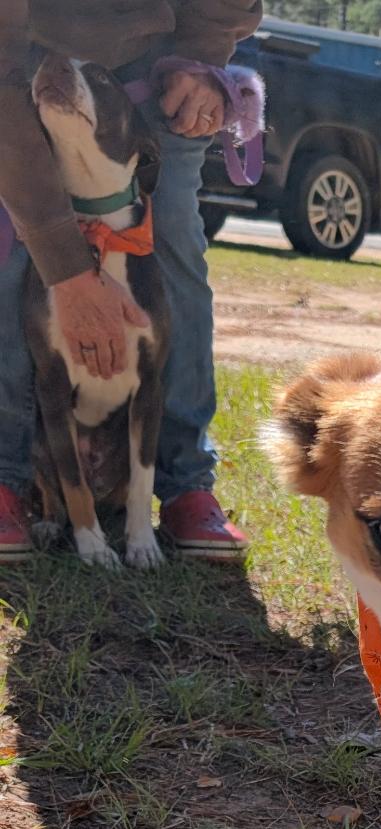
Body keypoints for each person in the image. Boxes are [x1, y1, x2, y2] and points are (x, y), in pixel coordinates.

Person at [0, 0, 261, 561]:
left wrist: (202, 55)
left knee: (174, 251)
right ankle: (6, 478)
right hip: (19, 63)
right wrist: (65, 268)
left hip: (158, 63)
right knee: (8, 253)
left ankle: (187, 483)